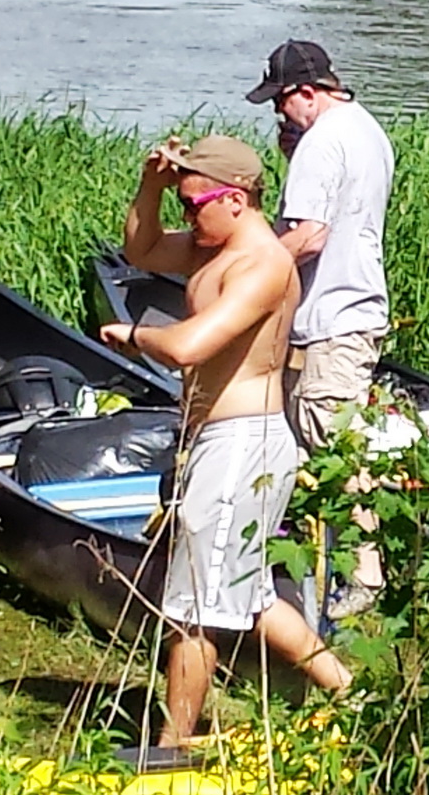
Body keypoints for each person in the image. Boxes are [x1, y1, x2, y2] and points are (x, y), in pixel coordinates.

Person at [100, 134, 352, 745]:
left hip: (245, 442)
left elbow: (189, 345)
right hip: (219, 439)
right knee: (250, 594)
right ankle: (351, 692)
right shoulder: (214, 247)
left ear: (235, 199)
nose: (187, 217)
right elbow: (144, 248)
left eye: (193, 204)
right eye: (182, 205)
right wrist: (153, 184)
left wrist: (133, 334)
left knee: (191, 607)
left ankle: (172, 746)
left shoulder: (262, 264)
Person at [245, 39, 395, 620]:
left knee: (333, 450)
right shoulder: (365, 129)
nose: (277, 116)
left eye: (280, 103)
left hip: (329, 319)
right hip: (358, 306)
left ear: (305, 93)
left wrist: (249, 273)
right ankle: (330, 566)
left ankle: (359, 579)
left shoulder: (319, 143)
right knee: (335, 444)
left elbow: (309, 234)